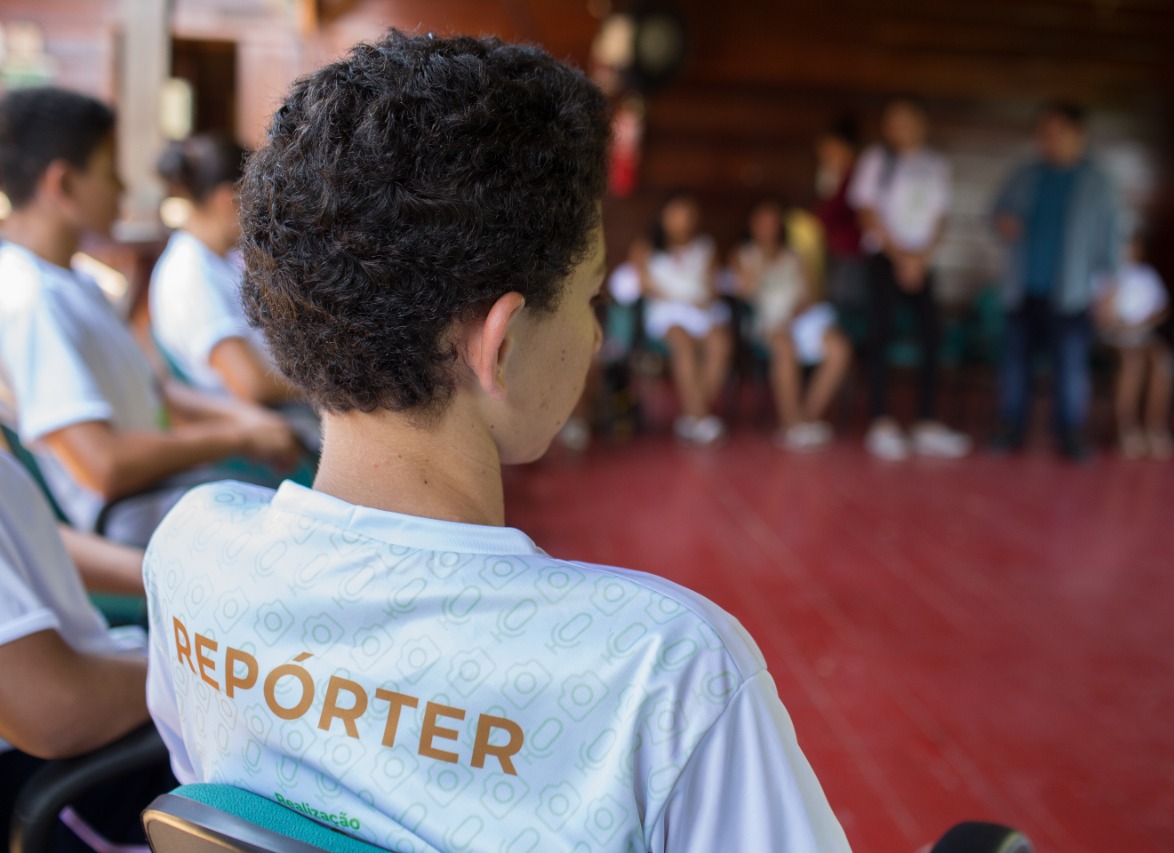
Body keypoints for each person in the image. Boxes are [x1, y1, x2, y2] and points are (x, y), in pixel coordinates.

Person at [145, 32, 848, 853]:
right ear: (501, 345)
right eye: (588, 299)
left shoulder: (190, 552)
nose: (592, 340)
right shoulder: (661, 678)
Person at [0, 87, 299, 546]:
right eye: (108, 171)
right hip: (140, 524)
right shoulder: (30, 301)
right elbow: (103, 465)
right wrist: (235, 437)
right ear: (61, 185)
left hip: (175, 494)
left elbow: (154, 390)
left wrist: (244, 424)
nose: (122, 188)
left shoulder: (72, 280)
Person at [0, 451, 174, 852]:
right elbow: (49, 706)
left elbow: (27, 531)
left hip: (103, 701)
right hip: (74, 779)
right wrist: (195, 669)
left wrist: (167, 571)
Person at [992, 100, 1122, 461]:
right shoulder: (1025, 175)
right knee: (1015, 366)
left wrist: (1109, 289)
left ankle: (1070, 435)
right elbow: (997, 214)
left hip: (1072, 292)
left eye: (1057, 132)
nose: (1048, 140)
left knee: (1071, 369)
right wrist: (1003, 223)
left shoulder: (1096, 182)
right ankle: (1010, 429)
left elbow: (1110, 238)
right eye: (1043, 133)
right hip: (1023, 288)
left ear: (1079, 135)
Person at [851, 97, 970, 461]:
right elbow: (867, 212)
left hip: (921, 262)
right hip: (885, 261)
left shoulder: (934, 164)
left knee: (932, 336)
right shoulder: (877, 160)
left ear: (921, 123)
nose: (897, 128)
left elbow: (939, 217)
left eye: (904, 120)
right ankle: (881, 422)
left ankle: (927, 423)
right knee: (881, 335)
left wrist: (921, 259)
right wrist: (900, 257)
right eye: (892, 121)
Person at [150, 133, 295, 405]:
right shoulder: (190, 274)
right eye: (257, 197)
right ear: (228, 199)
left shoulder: (215, 260)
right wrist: (325, 387)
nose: (264, 210)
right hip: (266, 430)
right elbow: (250, 384)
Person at [733, 198, 852, 451]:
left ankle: (806, 418)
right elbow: (745, 291)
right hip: (767, 322)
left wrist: (797, 311)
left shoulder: (796, 255)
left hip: (801, 319)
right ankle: (790, 423)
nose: (767, 228)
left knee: (839, 348)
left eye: (773, 222)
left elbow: (813, 294)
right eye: (762, 222)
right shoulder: (743, 254)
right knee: (784, 348)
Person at [633, 192, 733, 446]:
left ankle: (692, 415)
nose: (683, 221)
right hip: (665, 312)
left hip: (699, 310)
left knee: (721, 342)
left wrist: (703, 297)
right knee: (683, 342)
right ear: (664, 217)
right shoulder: (646, 246)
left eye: (688, 215)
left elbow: (712, 286)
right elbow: (641, 282)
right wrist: (675, 296)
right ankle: (701, 416)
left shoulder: (706, 246)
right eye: (677, 215)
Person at [1093, 232, 1174, 459]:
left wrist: (1143, 323)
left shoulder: (1147, 275)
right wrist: (1113, 320)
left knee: (1162, 361)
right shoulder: (1103, 274)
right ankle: (1126, 428)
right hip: (1111, 336)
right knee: (1131, 363)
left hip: (1143, 334)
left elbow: (1161, 309)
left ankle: (1154, 428)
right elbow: (1096, 313)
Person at [814, 115, 865, 322]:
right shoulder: (831, 175)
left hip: (852, 254)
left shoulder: (856, 175)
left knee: (846, 308)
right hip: (834, 251)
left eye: (830, 148)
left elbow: (834, 211)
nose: (825, 153)